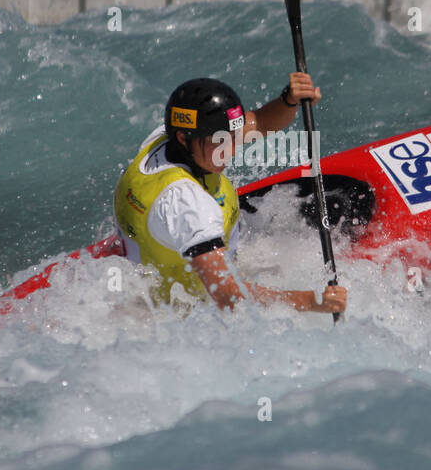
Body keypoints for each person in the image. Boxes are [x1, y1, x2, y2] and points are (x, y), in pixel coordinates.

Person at [113, 75, 348, 314]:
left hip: (156, 260)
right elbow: (229, 297)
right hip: (187, 314)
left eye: (233, 137)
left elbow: (260, 122)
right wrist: (311, 302)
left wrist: (289, 101)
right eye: (220, 142)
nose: (232, 149)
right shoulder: (188, 205)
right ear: (184, 139)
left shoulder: (166, 138)